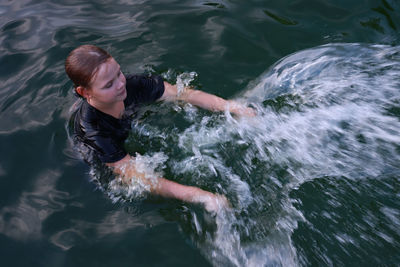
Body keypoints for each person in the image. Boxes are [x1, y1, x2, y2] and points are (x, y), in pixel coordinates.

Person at [65, 45, 254, 212]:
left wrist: (231, 107)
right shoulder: (93, 131)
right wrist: (198, 195)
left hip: (126, 125)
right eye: (109, 84)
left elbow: (183, 95)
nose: (121, 83)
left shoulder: (131, 85)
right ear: (85, 92)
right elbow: (138, 177)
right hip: (101, 158)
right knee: (128, 182)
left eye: (119, 73)